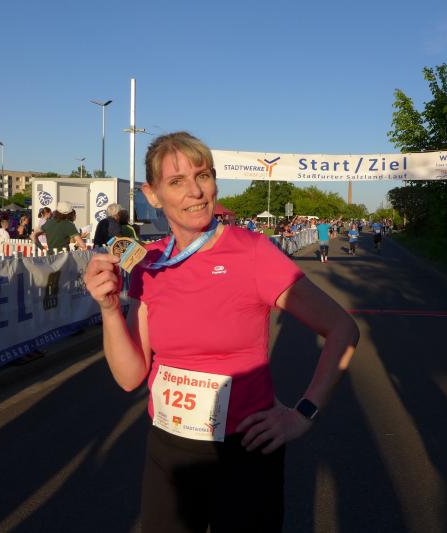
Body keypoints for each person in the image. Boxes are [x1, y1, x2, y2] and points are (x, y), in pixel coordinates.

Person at [83, 131, 358, 532]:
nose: (196, 191)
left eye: (203, 175)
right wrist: (109, 309)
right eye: (177, 181)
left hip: (245, 450)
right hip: (169, 451)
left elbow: (342, 329)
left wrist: (304, 414)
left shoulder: (253, 252)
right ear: (153, 194)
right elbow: (130, 377)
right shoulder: (147, 263)